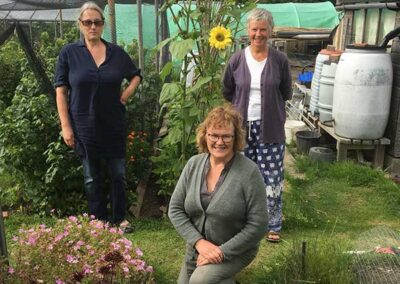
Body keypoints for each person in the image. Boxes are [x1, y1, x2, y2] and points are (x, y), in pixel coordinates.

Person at [54, 1, 142, 232]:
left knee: (118, 175)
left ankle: (120, 218)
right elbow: (61, 91)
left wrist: (125, 96)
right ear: (80, 25)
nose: (93, 26)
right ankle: (99, 221)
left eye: (97, 22)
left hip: (113, 124)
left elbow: (135, 76)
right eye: (88, 22)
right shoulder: (69, 53)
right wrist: (66, 126)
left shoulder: (116, 53)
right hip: (83, 126)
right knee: (91, 177)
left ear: (103, 24)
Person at [169, 105, 267, 284]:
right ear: (205, 135)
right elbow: (175, 209)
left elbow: (259, 224)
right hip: (198, 249)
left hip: (236, 249)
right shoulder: (193, 164)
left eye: (226, 136)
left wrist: (221, 252)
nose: (219, 142)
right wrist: (199, 243)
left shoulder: (249, 172)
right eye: (214, 135)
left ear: (235, 137)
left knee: (200, 280)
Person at [222, 8, 292, 243]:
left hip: (270, 126)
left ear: (270, 31)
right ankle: (242, 221)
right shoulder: (236, 59)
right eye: (254, 29)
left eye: (263, 29)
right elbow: (227, 90)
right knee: (239, 174)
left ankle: (272, 224)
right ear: (247, 31)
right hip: (241, 128)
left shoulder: (280, 60)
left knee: (271, 175)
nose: (258, 34)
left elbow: (286, 92)